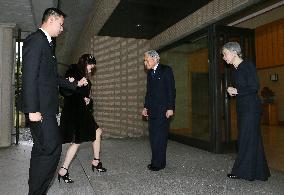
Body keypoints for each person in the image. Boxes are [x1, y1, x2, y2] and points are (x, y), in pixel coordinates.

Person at [22, 8, 88, 195]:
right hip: (40, 109)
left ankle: (35, 191)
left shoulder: (47, 44)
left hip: (45, 108)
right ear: (51, 20)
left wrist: (74, 85)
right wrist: (32, 109)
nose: (61, 28)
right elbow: (29, 76)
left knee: (43, 149)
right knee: (52, 149)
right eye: (61, 24)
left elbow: (53, 77)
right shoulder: (36, 41)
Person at [222, 42, 270, 181]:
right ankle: (259, 173)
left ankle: (243, 172)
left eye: (225, 53)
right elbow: (244, 89)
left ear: (234, 52)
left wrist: (237, 90)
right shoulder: (236, 69)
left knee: (245, 139)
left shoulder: (247, 65)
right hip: (244, 108)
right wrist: (233, 91)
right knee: (252, 139)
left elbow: (254, 87)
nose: (224, 57)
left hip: (251, 109)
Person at [58, 54, 107, 183]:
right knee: (77, 141)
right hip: (74, 111)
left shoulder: (85, 76)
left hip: (82, 110)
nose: (92, 68)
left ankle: (96, 161)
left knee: (97, 132)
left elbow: (84, 96)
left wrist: (87, 100)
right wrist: (77, 84)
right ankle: (63, 170)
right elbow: (63, 89)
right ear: (84, 63)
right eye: (91, 65)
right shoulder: (74, 70)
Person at [142, 50, 176, 171]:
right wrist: (145, 107)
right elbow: (149, 92)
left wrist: (171, 108)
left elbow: (171, 90)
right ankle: (157, 161)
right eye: (144, 60)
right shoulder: (150, 73)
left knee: (160, 138)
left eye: (146, 60)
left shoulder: (166, 70)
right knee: (153, 137)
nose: (145, 62)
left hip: (163, 110)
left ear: (155, 59)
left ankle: (158, 164)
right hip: (152, 110)